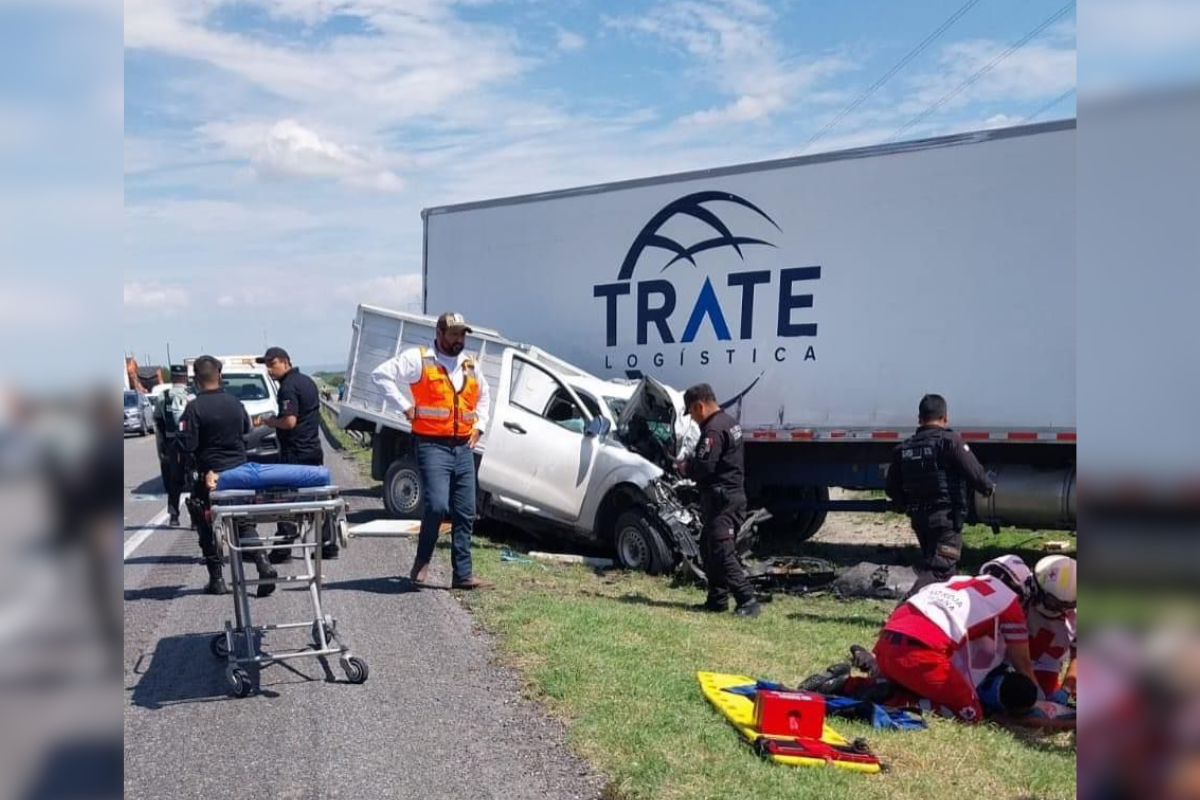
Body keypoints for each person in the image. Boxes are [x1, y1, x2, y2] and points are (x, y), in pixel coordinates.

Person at [371, 312, 491, 590]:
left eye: (462, 334)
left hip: (463, 446)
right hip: (432, 445)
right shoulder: (419, 359)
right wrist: (404, 406)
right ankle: (422, 558)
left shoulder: (470, 365)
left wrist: (480, 426)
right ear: (439, 333)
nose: (459, 339)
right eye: (453, 334)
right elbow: (381, 375)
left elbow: (483, 396)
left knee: (465, 512)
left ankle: (462, 575)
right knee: (437, 505)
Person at [866, 555, 1038, 722]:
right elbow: (1022, 663)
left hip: (886, 643)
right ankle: (893, 701)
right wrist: (1039, 699)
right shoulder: (1009, 602)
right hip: (919, 653)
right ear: (1021, 588)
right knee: (973, 714)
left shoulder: (953, 581)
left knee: (919, 685)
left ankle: (853, 686)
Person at [177, 355, 277, 596]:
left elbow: (188, 445)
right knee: (244, 522)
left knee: (206, 524)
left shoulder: (193, 408)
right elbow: (247, 431)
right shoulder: (235, 403)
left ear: (196, 380)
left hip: (210, 476)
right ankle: (263, 563)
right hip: (240, 472)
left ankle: (217, 579)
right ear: (219, 376)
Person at [886, 393, 996, 597]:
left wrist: (905, 503)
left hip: (919, 519)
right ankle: (902, 614)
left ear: (919, 418)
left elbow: (892, 489)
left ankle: (934, 623)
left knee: (944, 575)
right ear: (945, 418)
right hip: (945, 520)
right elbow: (977, 475)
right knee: (940, 570)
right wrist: (988, 488)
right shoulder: (950, 441)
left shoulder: (904, 448)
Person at [677, 383, 760, 618]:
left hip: (722, 501)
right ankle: (717, 599)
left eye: (691, 414)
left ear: (699, 406)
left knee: (722, 552)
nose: (692, 419)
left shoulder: (712, 430)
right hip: (729, 497)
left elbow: (704, 466)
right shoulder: (730, 423)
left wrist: (685, 467)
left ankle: (747, 599)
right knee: (708, 548)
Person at [253, 347, 337, 561]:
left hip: (295, 453)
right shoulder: (306, 381)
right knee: (319, 498)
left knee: (286, 500)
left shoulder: (288, 387)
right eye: (267, 365)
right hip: (312, 449)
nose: (269, 370)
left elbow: (289, 422)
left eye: (272, 364)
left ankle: (283, 549)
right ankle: (328, 545)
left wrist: (269, 420)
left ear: (285, 362)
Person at [1026, 554, 1077, 701]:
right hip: (1006, 659)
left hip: (1045, 663)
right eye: (1053, 602)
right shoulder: (1020, 594)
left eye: (1067, 605)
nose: (1059, 609)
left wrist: (1067, 688)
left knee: (1043, 700)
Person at [152, 364, 191, 526]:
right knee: (194, 479)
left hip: (172, 443)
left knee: (175, 480)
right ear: (185, 377)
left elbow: (158, 421)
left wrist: (162, 447)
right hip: (191, 442)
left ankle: (174, 516)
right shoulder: (192, 395)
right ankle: (196, 519)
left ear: (172, 378)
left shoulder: (163, 396)